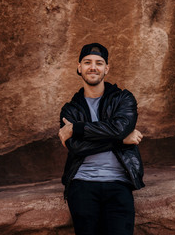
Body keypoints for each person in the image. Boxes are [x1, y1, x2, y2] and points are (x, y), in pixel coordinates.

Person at [58, 43, 145, 235]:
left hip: (118, 182)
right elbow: (76, 147)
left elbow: (120, 128)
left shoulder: (123, 99)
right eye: (87, 62)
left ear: (107, 68)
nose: (93, 67)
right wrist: (120, 140)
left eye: (99, 63)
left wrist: (77, 128)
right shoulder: (70, 110)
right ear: (79, 67)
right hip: (82, 183)